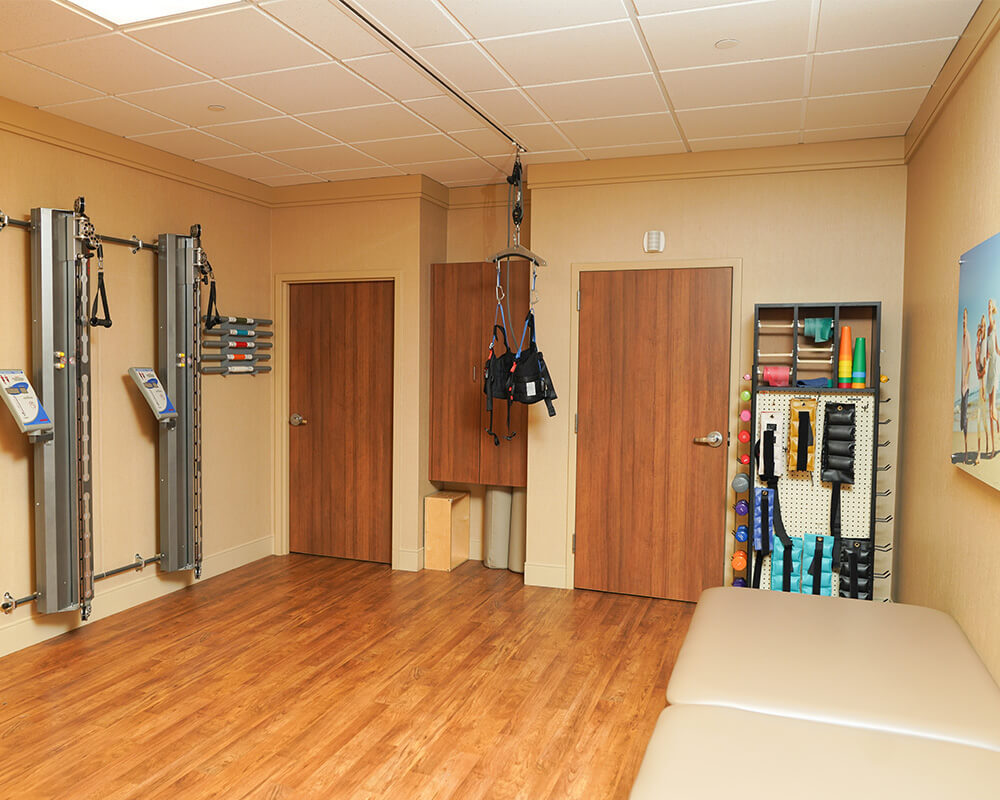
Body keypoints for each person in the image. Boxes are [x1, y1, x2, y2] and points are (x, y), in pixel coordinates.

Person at [975, 315, 988, 464]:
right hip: (980, 387)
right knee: (980, 421)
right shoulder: (979, 346)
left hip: (983, 388)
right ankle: (980, 452)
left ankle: (985, 448)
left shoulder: (984, 346)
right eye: (980, 326)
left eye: (983, 327)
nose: (981, 328)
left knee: (983, 421)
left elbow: (983, 369)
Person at [988, 300, 1000, 457]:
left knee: (991, 410)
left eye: (991, 304)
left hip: (995, 365)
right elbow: (995, 348)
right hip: (990, 365)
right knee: (990, 410)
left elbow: (997, 350)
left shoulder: (993, 324)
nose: (989, 306)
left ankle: (992, 448)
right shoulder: (990, 329)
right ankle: (992, 448)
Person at [961, 308, 972, 462]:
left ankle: (966, 451)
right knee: (963, 419)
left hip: (966, 386)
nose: (963, 320)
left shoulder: (967, 336)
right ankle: (965, 450)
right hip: (963, 386)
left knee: (965, 419)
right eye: (962, 318)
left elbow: (969, 363)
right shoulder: (963, 337)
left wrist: (964, 380)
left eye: (964, 318)